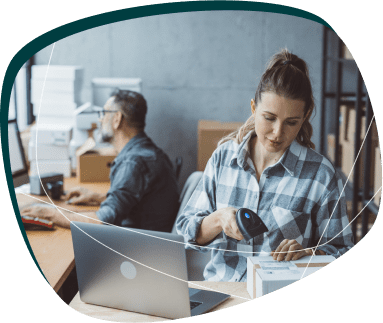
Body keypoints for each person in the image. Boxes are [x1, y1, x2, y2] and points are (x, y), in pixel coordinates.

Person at [176, 49, 354, 282]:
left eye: (291, 122)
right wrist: (218, 219)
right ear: (253, 108)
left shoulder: (320, 175)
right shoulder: (223, 158)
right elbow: (185, 232)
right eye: (269, 118)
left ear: (306, 116)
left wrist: (309, 253)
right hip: (221, 294)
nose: (277, 133)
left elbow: (343, 251)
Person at [21, 90, 180, 232]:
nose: (100, 120)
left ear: (117, 119)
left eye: (104, 113)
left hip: (136, 250)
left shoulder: (133, 163)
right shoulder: (149, 152)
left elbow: (103, 222)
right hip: (149, 241)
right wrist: (98, 197)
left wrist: (50, 213)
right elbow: (140, 202)